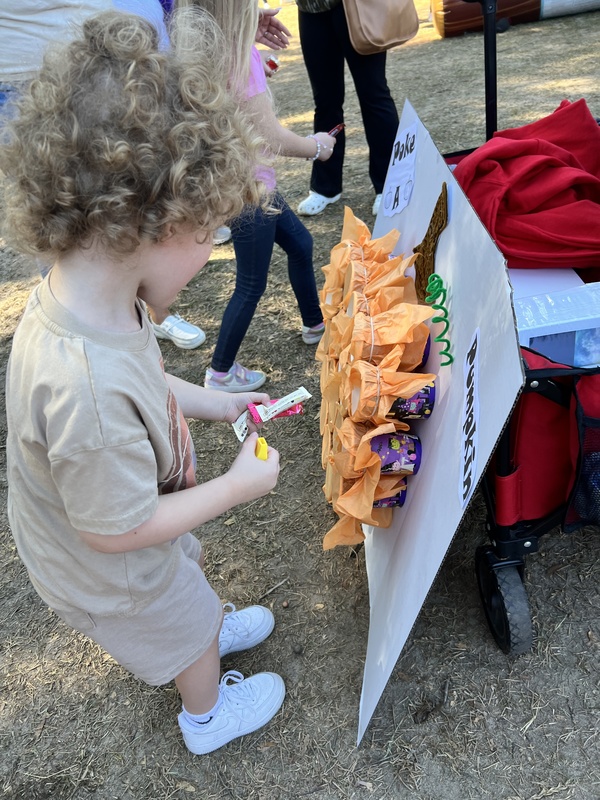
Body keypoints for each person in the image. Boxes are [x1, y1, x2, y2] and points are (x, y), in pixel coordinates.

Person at [1, 10, 286, 755]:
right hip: (108, 564)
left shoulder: (98, 293)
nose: (210, 252)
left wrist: (218, 403)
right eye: (212, 234)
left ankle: (202, 620)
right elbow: (115, 530)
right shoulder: (83, 390)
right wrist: (231, 490)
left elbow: (148, 377)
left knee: (181, 578)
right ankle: (206, 713)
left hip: (130, 523)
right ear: (160, 223)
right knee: (176, 620)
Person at [0, 0, 208, 350]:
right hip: (34, 69)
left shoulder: (99, 366)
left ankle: (143, 319)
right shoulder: (97, 391)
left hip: (100, 59)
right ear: (164, 225)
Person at [179, 0, 336, 393]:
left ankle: (315, 324)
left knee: (301, 243)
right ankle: (219, 374)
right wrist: (316, 146)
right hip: (250, 191)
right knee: (251, 284)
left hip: (242, 183)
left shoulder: (203, 49)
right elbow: (272, 137)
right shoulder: (238, 58)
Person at [295, 0, 399, 217]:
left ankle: (389, 183)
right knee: (325, 101)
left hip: (356, 7)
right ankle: (326, 187)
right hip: (310, 8)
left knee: (374, 94)